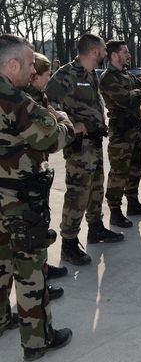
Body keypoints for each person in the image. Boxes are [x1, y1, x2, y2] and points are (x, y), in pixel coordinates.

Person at [0, 34, 73, 361]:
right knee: (30, 269)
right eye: (29, 64)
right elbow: (52, 139)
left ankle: (2, 318)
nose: (33, 71)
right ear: (11, 64)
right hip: (17, 201)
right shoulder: (13, 99)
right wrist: (64, 121)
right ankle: (37, 341)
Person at [46, 34, 123, 266]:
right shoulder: (67, 74)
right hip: (80, 147)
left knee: (96, 189)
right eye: (102, 49)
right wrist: (69, 123)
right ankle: (69, 243)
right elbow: (46, 101)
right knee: (78, 193)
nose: (105, 52)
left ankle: (96, 228)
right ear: (93, 51)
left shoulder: (90, 74)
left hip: (95, 142)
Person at [22, 52, 78, 300]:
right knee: (30, 236)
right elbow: (51, 138)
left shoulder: (36, 96)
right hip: (23, 177)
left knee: (38, 229)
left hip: (32, 172)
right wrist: (64, 121)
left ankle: (42, 270)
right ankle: (36, 281)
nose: (48, 81)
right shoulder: (24, 100)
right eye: (45, 76)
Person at [100, 40, 141, 228]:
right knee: (119, 172)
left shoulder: (127, 75)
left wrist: (134, 93)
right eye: (125, 52)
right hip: (121, 132)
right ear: (114, 55)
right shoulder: (108, 77)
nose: (129, 55)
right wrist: (135, 94)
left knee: (136, 168)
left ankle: (133, 202)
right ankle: (115, 211)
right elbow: (123, 100)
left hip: (135, 130)